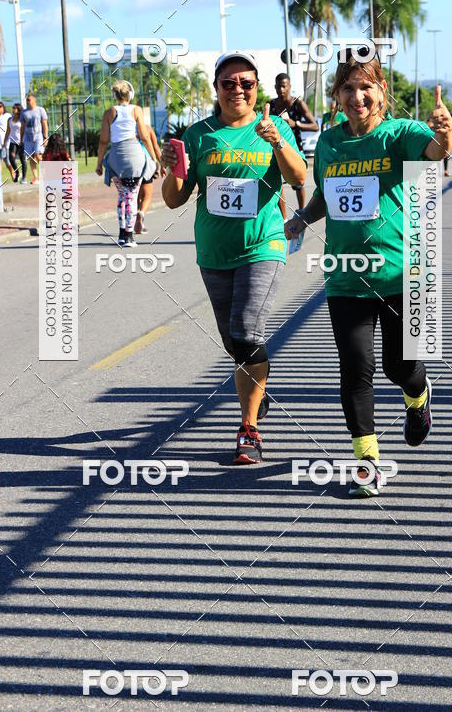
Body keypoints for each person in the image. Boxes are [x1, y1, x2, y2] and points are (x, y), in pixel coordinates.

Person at [285, 49, 452, 497]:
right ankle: (368, 461)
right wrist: (303, 218)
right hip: (345, 275)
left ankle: (418, 396)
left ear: (381, 90)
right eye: (347, 88)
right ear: (336, 95)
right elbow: (325, 194)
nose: (357, 96)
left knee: (401, 368)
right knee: (356, 369)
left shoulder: (401, 133)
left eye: (366, 87)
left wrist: (444, 134)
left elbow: (434, 154)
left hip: (402, 274)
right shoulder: (329, 140)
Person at [161, 51, 306, 464]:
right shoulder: (198, 135)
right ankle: (258, 390)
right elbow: (174, 201)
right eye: (229, 83)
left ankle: (249, 429)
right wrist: (166, 168)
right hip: (214, 252)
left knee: (245, 332)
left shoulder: (275, 126)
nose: (238, 89)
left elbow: (298, 178)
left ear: (256, 88)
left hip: (264, 245)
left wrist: (277, 141)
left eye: (246, 83)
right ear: (217, 89)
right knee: (235, 343)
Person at [95, 80, 158, 247]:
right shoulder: (136, 110)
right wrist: (153, 158)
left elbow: (103, 141)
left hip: (116, 156)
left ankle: (122, 232)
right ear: (130, 94)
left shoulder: (109, 113)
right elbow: (144, 136)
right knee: (133, 195)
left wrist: (99, 163)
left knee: (122, 196)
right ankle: (129, 235)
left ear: (114, 95)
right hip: (134, 155)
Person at [270, 72, 318, 213]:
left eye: (284, 86)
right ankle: (284, 218)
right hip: (275, 148)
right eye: (279, 87)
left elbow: (314, 125)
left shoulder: (297, 104)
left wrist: (295, 123)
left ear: (289, 86)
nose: (281, 90)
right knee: (277, 184)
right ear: (275, 87)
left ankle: (301, 213)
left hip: (295, 147)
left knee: (298, 184)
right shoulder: (271, 105)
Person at [135, 124, 165, 235]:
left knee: (136, 194)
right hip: (146, 162)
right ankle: (141, 214)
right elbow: (156, 147)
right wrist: (162, 164)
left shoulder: (127, 128)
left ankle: (137, 214)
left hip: (130, 162)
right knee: (147, 195)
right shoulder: (147, 128)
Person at [20, 92, 48, 185]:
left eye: (29, 99)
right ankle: (36, 177)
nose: (27, 101)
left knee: (38, 155)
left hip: (38, 137)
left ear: (34, 100)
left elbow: (44, 124)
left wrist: (45, 137)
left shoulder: (40, 110)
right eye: (27, 100)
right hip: (28, 139)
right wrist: (21, 139)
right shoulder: (24, 112)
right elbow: (22, 127)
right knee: (31, 157)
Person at [5, 103, 27, 183]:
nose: (13, 109)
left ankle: (24, 178)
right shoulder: (9, 119)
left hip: (22, 141)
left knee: (22, 159)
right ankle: (17, 172)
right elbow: (8, 131)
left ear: (18, 109)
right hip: (12, 141)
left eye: (14, 108)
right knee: (11, 157)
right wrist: (5, 141)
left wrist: (22, 140)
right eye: (13, 107)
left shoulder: (22, 120)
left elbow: (23, 130)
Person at [0, 101, 13, 180]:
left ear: (3, 107)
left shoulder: (7, 116)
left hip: (5, 143)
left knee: (7, 162)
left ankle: (13, 173)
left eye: (0, 106)